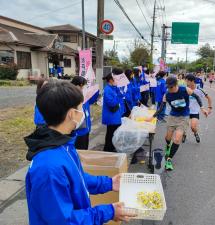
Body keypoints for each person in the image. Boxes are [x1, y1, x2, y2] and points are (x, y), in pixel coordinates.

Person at [24, 80, 135, 224]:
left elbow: (77, 179)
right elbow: (64, 221)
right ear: (71, 114)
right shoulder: (49, 167)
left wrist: (109, 183)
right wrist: (109, 211)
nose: (84, 111)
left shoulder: (64, 145)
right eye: (81, 106)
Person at [147, 77, 208, 171]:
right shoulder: (166, 94)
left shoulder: (185, 90)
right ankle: (168, 146)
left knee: (177, 137)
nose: (169, 89)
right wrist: (153, 116)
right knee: (168, 138)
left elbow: (197, 97)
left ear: (176, 85)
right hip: (172, 117)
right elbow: (161, 108)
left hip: (184, 117)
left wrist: (203, 108)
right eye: (168, 87)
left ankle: (169, 159)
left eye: (171, 87)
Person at [71, 76, 99, 149]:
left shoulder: (84, 95)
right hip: (77, 131)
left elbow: (92, 100)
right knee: (79, 152)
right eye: (81, 86)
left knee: (85, 150)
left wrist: (96, 90)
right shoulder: (71, 96)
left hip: (86, 128)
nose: (82, 88)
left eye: (83, 86)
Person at [185, 74, 212, 143]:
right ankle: (184, 135)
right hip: (185, 111)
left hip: (195, 112)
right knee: (184, 127)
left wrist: (209, 108)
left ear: (192, 81)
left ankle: (195, 133)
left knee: (193, 127)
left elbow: (209, 98)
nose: (186, 82)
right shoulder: (185, 89)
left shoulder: (199, 90)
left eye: (187, 81)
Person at [102, 73, 123, 152]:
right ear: (111, 80)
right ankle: (108, 149)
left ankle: (111, 147)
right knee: (110, 133)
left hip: (115, 115)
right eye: (115, 79)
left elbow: (120, 95)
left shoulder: (113, 88)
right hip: (111, 116)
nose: (117, 81)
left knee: (113, 133)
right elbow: (111, 103)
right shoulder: (107, 89)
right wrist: (118, 97)